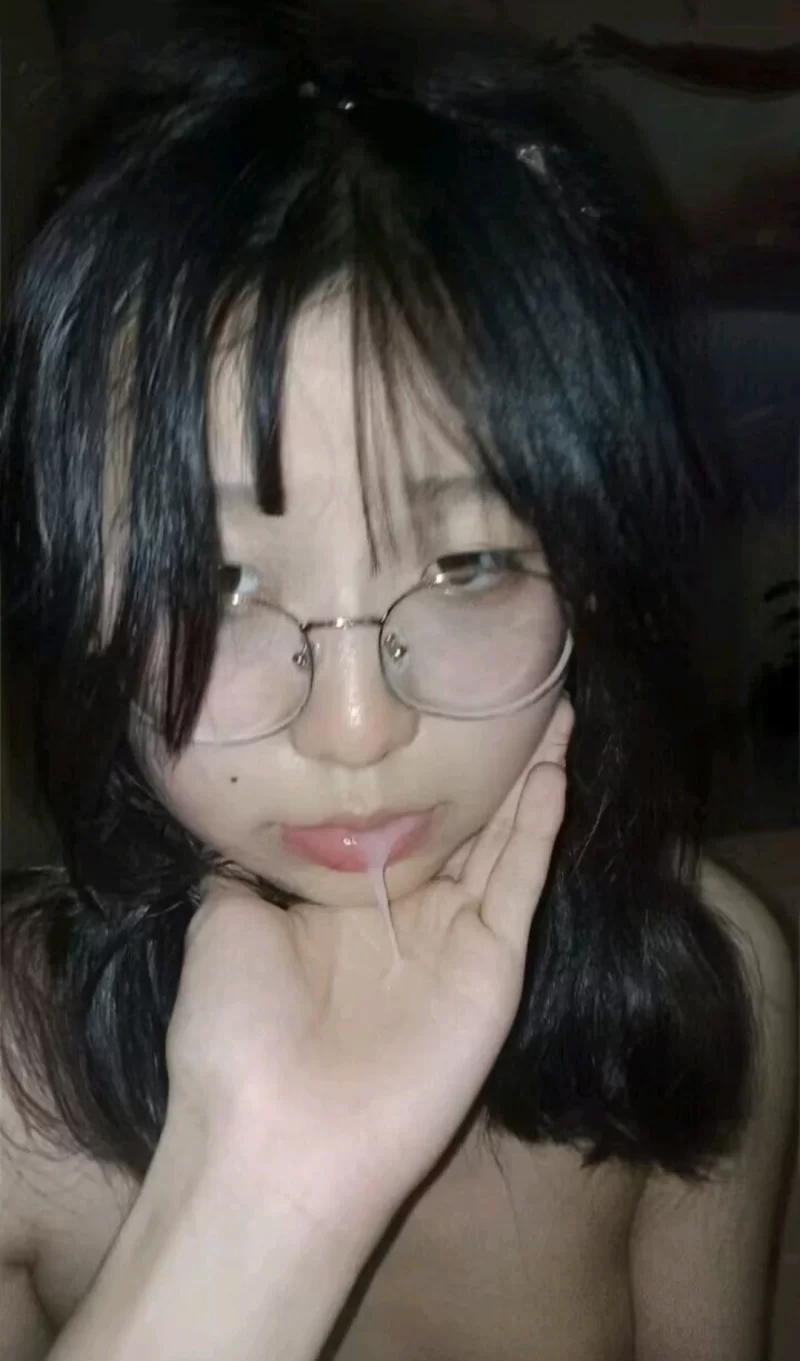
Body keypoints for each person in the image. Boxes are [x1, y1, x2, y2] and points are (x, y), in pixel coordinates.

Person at [0, 10, 795, 1360]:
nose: (359, 727)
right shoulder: (22, 1089)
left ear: (595, 575)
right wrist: (253, 1217)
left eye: (470, 563)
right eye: (221, 585)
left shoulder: (705, 985)